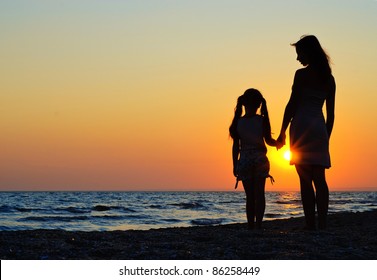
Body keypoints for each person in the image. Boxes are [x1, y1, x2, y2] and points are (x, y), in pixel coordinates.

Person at [277, 35, 336, 230]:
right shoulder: (329, 79)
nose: (297, 59)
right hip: (318, 128)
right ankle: (323, 223)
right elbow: (331, 115)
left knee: (305, 180)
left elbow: (292, 105)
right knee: (320, 179)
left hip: (301, 127)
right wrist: (326, 136)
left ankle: (310, 224)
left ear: (308, 53)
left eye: (299, 54)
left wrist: (282, 132)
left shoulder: (301, 75)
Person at [229, 88, 277, 229]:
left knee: (250, 197)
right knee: (259, 194)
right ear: (258, 105)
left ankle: (250, 225)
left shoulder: (238, 122)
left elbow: (235, 147)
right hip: (260, 159)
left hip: (244, 160)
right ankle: (259, 224)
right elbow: (268, 140)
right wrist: (279, 143)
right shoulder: (261, 120)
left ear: (244, 104)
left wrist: (234, 164)